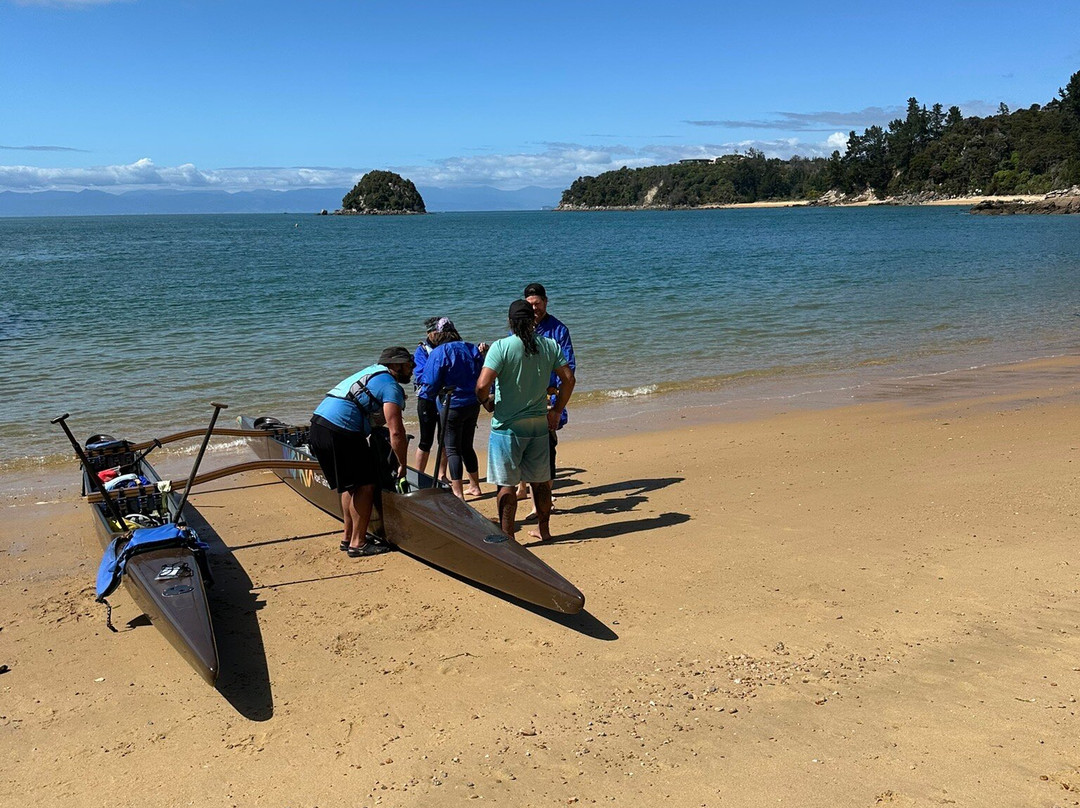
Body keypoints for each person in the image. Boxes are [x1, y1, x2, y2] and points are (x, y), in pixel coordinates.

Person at [476, 300, 575, 541]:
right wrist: (556, 410)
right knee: (541, 483)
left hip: (507, 428)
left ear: (510, 322)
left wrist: (488, 403)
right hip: (539, 426)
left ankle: (508, 536)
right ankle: (544, 531)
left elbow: (481, 385)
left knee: (506, 485)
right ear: (532, 321)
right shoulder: (549, 345)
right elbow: (569, 379)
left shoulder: (501, 347)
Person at [308, 347, 413, 558]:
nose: (412, 370)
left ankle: (348, 538)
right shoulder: (391, 386)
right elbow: (397, 432)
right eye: (409, 365)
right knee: (365, 485)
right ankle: (359, 543)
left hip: (318, 425)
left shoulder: (372, 373)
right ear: (396, 365)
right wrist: (402, 463)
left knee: (351, 485)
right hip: (340, 431)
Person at [517, 282, 576, 506]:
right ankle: (523, 487)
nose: (534, 309)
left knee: (546, 446)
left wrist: (557, 400)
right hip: (524, 397)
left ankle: (543, 497)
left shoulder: (559, 330)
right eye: (530, 305)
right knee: (523, 443)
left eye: (538, 304)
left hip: (549, 395)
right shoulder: (519, 327)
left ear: (546, 302)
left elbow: (569, 367)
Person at [420, 323, 486, 500]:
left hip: (452, 404)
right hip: (472, 403)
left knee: (452, 448)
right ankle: (475, 486)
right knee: (467, 446)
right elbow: (482, 372)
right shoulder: (471, 348)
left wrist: (428, 397)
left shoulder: (439, 353)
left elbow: (431, 381)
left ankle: (457, 492)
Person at [412, 317, 449, 478]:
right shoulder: (421, 350)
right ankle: (419, 475)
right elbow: (420, 375)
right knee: (425, 440)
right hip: (426, 398)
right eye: (437, 332)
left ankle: (442, 475)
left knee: (444, 440)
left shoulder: (448, 347)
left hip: (445, 398)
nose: (441, 335)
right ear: (429, 333)